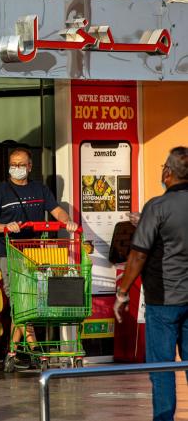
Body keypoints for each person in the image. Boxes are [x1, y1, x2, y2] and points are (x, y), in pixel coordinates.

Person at [0, 148, 77, 358]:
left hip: (33, 251)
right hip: (8, 252)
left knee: (28, 298)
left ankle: (12, 350)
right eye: (13, 165)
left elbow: (56, 210)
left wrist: (67, 222)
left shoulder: (39, 189)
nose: (17, 169)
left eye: (21, 165)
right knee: (18, 298)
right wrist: (6, 227)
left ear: (30, 167)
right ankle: (35, 347)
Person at [114, 146, 188, 421]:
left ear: (168, 173)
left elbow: (138, 255)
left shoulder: (157, 207)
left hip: (163, 301)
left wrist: (122, 294)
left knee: (162, 369)